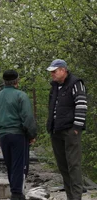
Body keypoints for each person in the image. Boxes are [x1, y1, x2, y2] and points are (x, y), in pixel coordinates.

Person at [0, 70, 37, 200]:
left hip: (3, 135)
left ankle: (14, 190)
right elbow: (28, 118)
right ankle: (17, 194)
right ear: (17, 81)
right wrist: (32, 134)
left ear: (4, 81)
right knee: (19, 164)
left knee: (10, 164)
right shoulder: (21, 96)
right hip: (18, 134)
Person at [46, 59, 87, 200]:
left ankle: (76, 197)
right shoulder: (55, 87)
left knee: (73, 166)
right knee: (63, 166)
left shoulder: (75, 83)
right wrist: (50, 127)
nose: (52, 74)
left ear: (63, 70)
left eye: (54, 71)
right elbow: (52, 108)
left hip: (70, 130)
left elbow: (81, 105)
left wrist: (76, 128)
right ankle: (70, 196)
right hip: (56, 131)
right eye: (51, 72)